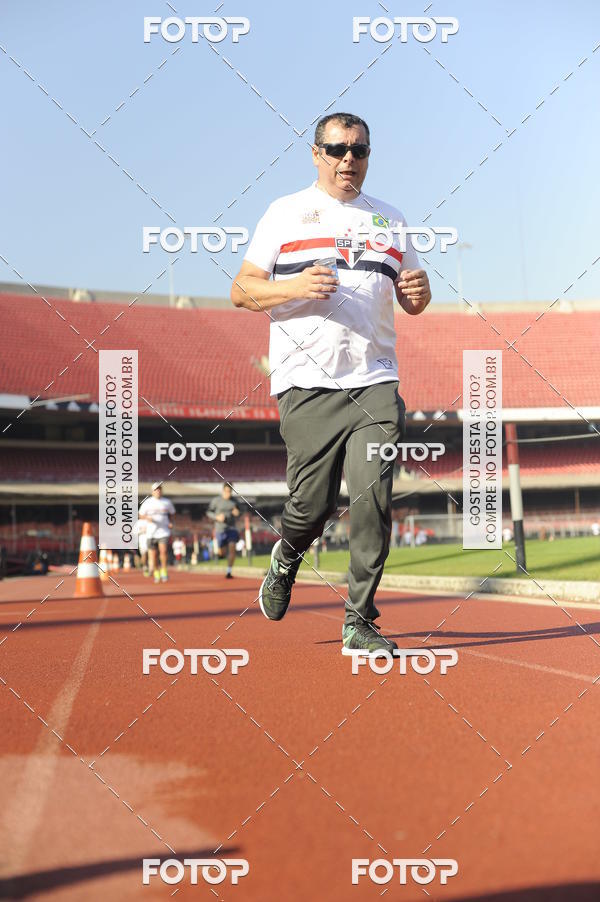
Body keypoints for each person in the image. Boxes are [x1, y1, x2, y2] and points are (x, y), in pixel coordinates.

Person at [231, 112, 431, 656]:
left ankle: (359, 621)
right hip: (305, 382)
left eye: (360, 151)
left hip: (375, 382)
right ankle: (287, 557)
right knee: (311, 507)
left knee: (373, 499)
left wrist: (418, 290)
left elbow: (415, 298)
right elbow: (241, 291)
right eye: (338, 149)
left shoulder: (391, 220)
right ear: (316, 153)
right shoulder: (285, 212)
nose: (350, 160)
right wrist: (293, 286)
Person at [138, 482, 175, 583]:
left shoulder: (167, 502)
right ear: (152, 492)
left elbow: (172, 513)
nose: (158, 491)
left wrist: (171, 522)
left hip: (163, 531)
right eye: (156, 489)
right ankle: (156, 572)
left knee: (163, 551)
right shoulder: (147, 502)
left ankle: (164, 571)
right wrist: (147, 518)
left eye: (159, 489)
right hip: (151, 532)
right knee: (153, 555)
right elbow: (140, 515)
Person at [207, 483, 240, 578]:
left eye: (230, 492)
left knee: (232, 547)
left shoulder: (235, 501)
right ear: (223, 491)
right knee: (222, 552)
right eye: (226, 491)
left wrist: (237, 513)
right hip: (220, 529)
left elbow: (240, 512)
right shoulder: (216, 501)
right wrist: (216, 517)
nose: (228, 494)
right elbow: (209, 512)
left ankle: (229, 571)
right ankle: (220, 553)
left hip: (231, 528)